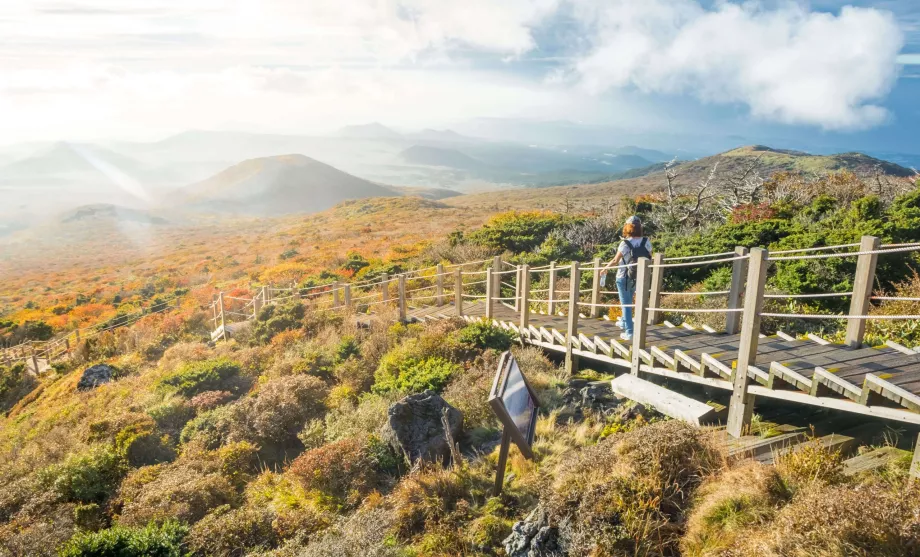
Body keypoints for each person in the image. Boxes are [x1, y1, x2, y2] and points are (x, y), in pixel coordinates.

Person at [601, 215, 652, 341]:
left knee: (626, 304)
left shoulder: (625, 243)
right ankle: (624, 322)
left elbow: (615, 260)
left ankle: (629, 332)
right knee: (629, 300)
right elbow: (649, 258)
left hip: (623, 276)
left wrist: (604, 268)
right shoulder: (646, 242)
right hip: (637, 276)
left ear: (628, 228)